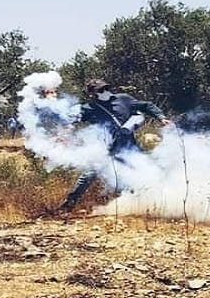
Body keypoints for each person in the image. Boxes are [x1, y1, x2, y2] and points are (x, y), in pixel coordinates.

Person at [58, 79, 171, 212]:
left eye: (106, 88)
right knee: (89, 175)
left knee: (143, 170)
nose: (105, 92)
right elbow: (74, 119)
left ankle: (151, 201)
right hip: (106, 147)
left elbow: (146, 106)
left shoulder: (124, 99)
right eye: (100, 90)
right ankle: (69, 204)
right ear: (92, 93)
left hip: (129, 146)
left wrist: (161, 117)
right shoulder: (89, 108)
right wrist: (65, 132)